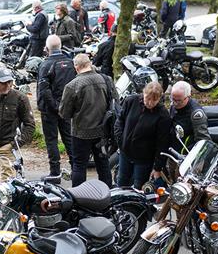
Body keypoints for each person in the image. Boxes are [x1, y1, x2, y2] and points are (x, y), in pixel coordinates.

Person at [59, 54, 117, 186]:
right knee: (103, 164)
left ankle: (79, 197)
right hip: (103, 131)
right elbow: (115, 102)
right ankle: (107, 193)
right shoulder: (106, 80)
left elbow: (64, 113)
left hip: (81, 132)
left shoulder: (72, 85)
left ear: (76, 67)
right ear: (89, 64)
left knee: (79, 165)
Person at [114, 81, 172, 189]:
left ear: (159, 98)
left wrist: (158, 167)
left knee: (139, 187)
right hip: (125, 153)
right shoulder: (131, 101)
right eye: (147, 98)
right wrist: (121, 141)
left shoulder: (163, 115)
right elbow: (120, 121)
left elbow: (162, 142)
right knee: (121, 183)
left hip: (144, 159)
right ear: (143, 93)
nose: (149, 103)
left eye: (154, 100)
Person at [0, 67, 35, 183]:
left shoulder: (20, 98)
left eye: (9, 82)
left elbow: (30, 125)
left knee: (7, 184)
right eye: (3, 82)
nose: (7, 85)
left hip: (8, 147)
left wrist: (15, 144)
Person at [37, 35, 75, 181]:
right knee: (68, 138)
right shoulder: (70, 62)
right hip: (65, 108)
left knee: (52, 140)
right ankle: (76, 168)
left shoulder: (45, 64)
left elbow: (44, 90)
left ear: (47, 49)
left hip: (50, 109)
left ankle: (55, 172)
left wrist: (55, 106)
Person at [169, 81, 210, 150]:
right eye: (173, 99)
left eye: (179, 101)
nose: (175, 103)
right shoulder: (173, 104)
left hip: (185, 151)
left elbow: (202, 140)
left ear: (188, 97)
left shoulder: (196, 115)